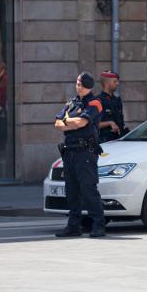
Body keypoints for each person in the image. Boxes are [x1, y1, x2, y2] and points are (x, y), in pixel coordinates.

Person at [53, 72, 106, 238]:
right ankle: (73, 226)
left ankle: (98, 225)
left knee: (88, 189)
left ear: (89, 86)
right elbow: (57, 123)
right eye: (77, 84)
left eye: (82, 85)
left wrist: (67, 121)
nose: (79, 87)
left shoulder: (95, 103)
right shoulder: (71, 103)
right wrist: (70, 122)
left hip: (85, 153)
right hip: (70, 151)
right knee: (72, 190)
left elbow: (81, 122)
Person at [98, 70, 127, 143]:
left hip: (118, 140)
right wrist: (110, 123)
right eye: (115, 81)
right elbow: (92, 124)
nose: (117, 84)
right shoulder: (97, 101)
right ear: (107, 84)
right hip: (104, 142)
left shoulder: (117, 100)